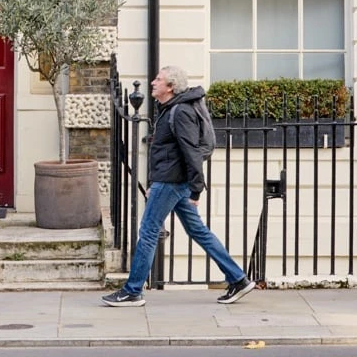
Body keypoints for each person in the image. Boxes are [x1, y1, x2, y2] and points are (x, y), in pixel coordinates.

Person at [102, 65, 256, 307]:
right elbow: (166, 152)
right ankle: (238, 278)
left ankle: (132, 290)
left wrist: (196, 188)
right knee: (198, 232)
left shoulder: (180, 111)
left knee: (149, 231)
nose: (153, 82)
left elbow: (191, 152)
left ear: (170, 87)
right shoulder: (170, 109)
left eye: (159, 79)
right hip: (169, 181)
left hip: (172, 182)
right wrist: (155, 182)